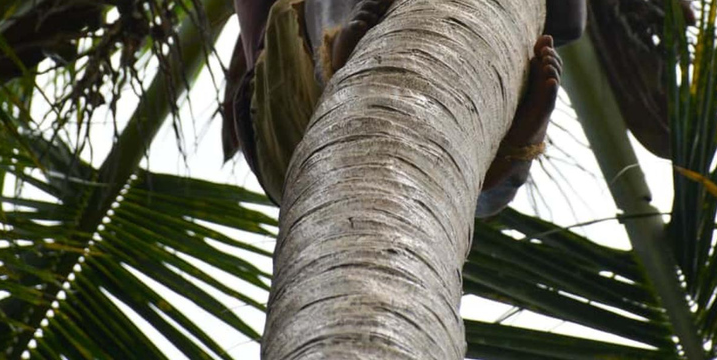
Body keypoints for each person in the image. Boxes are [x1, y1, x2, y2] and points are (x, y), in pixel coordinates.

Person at [227, 0, 586, 217]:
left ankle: (515, 143)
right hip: (298, 130)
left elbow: (570, 23)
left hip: (441, 154)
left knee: (459, 165)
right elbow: (570, 24)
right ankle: (519, 143)